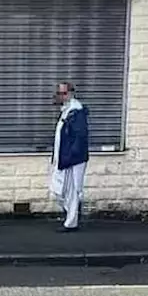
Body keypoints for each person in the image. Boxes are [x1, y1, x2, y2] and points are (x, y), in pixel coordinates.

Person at [49, 81, 89, 232]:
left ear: (71, 93)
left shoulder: (75, 111)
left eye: (63, 93)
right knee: (59, 187)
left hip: (72, 159)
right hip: (64, 157)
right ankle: (71, 213)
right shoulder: (67, 110)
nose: (60, 96)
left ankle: (71, 222)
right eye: (59, 93)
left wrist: (71, 156)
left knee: (70, 190)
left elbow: (80, 137)